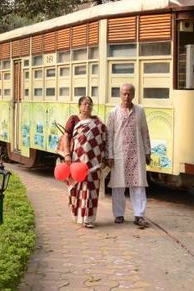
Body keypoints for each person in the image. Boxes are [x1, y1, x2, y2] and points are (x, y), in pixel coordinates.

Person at [106, 83, 151, 228]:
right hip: (119, 154)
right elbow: (109, 136)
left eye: (129, 93)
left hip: (136, 153)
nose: (127, 96)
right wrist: (109, 155)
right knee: (118, 185)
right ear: (120, 94)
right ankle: (119, 214)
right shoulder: (113, 113)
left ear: (133, 94)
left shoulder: (140, 111)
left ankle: (139, 215)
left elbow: (145, 132)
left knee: (138, 184)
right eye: (124, 93)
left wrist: (147, 151)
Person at [63, 96, 107, 228]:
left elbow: (103, 139)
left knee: (90, 188)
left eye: (90, 104)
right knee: (76, 188)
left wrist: (104, 157)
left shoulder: (97, 122)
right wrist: (67, 154)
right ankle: (77, 215)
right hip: (76, 160)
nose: (87, 106)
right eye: (85, 104)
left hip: (93, 162)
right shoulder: (74, 120)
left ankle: (88, 218)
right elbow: (66, 137)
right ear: (79, 106)